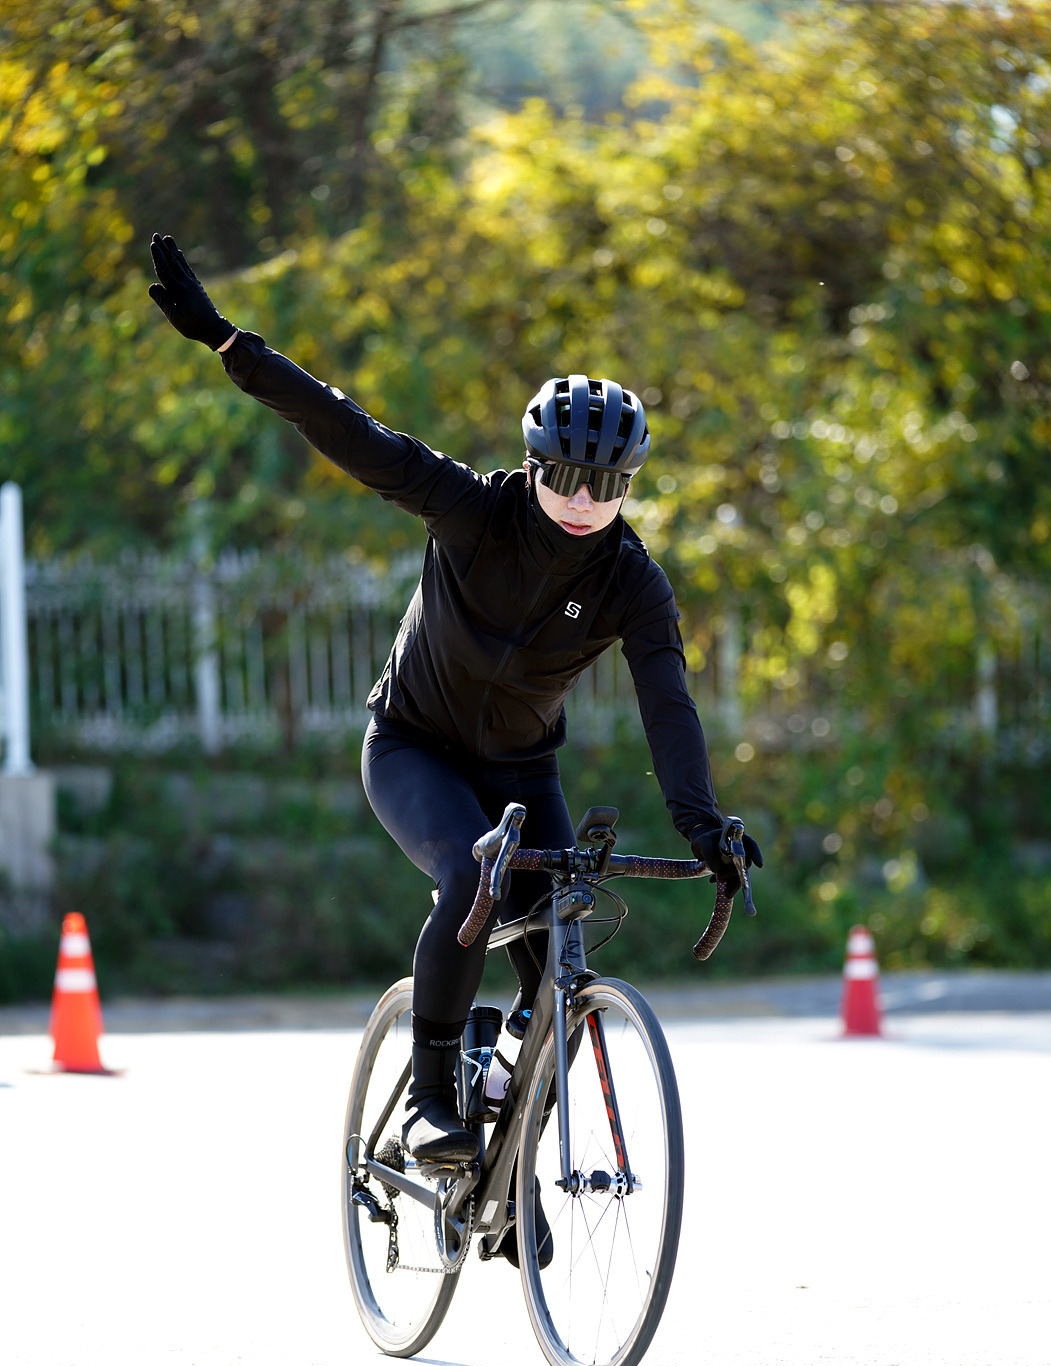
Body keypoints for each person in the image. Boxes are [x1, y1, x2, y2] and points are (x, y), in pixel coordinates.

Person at [148, 233, 763, 1266]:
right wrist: (229, 345)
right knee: (474, 880)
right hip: (414, 749)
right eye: (566, 476)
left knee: (561, 977)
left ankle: (503, 1169)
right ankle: (434, 1097)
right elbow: (345, 428)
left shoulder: (633, 583)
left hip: (523, 769)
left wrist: (705, 828)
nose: (583, 501)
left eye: (608, 484)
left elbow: (670, 707)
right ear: (534, 465)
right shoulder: (472, 510)